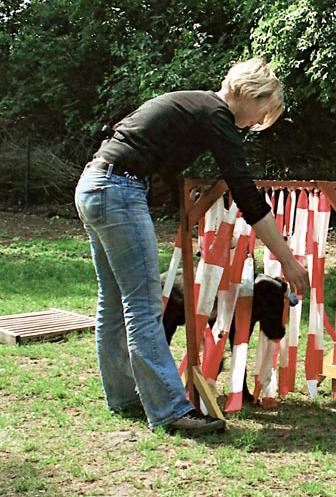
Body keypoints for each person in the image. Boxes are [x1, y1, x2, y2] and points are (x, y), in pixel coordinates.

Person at [74, 58, 309, 434]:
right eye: (260, 113)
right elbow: (246, 194)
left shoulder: (196, 106)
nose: (254, 123)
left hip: (95, 182)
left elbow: (146, 144)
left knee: (114, 300)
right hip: (117, 190)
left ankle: (123, 398)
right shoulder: (217, 114)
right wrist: (287, 260)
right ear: (250, 94)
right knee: (143, 304)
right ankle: (170, 411)